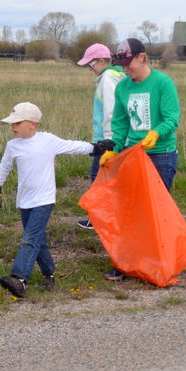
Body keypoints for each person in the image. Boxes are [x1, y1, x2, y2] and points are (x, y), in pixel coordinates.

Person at [0, 102, 101, 297]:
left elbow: (72, 146)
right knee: (38, 239)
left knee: (29, 239)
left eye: (17, 123)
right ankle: (49, 273)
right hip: (24, 202)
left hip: (44, 200)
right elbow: (3, 167)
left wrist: (95, 148)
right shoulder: (12, 145)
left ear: (33, 123)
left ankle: (20, 280)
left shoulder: (47, 140)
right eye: (11, 124)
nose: (13, 127)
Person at [99, 38, 180, 281]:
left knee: (155, 213)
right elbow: (121, 123)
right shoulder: (123, 87)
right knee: (129, 211)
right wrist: (114, 149)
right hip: (133, 156)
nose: (125, 69)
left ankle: (158, 265)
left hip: (161, 156)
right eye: (121, 65)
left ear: (142, 58)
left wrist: (156, 133)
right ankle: (125, 263)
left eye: (129, 64)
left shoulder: (162, 83)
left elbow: (172, 118)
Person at [75, 43, 125, 230]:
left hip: (107, 141)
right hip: (114, 139)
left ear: (103, 60)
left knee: (98, 178)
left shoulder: (108, 79)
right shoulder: (119, 75)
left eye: (92, 64)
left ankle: (98, 220)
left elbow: (111, 112)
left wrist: (109, 143)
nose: (90, 68)